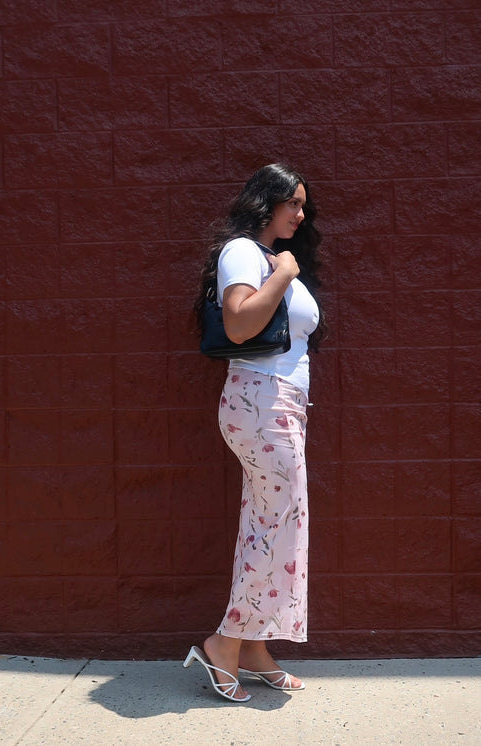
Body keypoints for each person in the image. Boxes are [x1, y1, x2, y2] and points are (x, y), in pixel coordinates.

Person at [184, 163, 326, 702]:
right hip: (259, 400)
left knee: (274, 528)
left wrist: (286, 270)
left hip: (279, 404)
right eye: (293, 203)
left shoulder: (270, 257)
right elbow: (240, 323)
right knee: (275, 528)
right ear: (266, 201)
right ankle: (226, 643)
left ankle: (255, 647)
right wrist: (285, 274)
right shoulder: (244, 253)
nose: (301, 213)